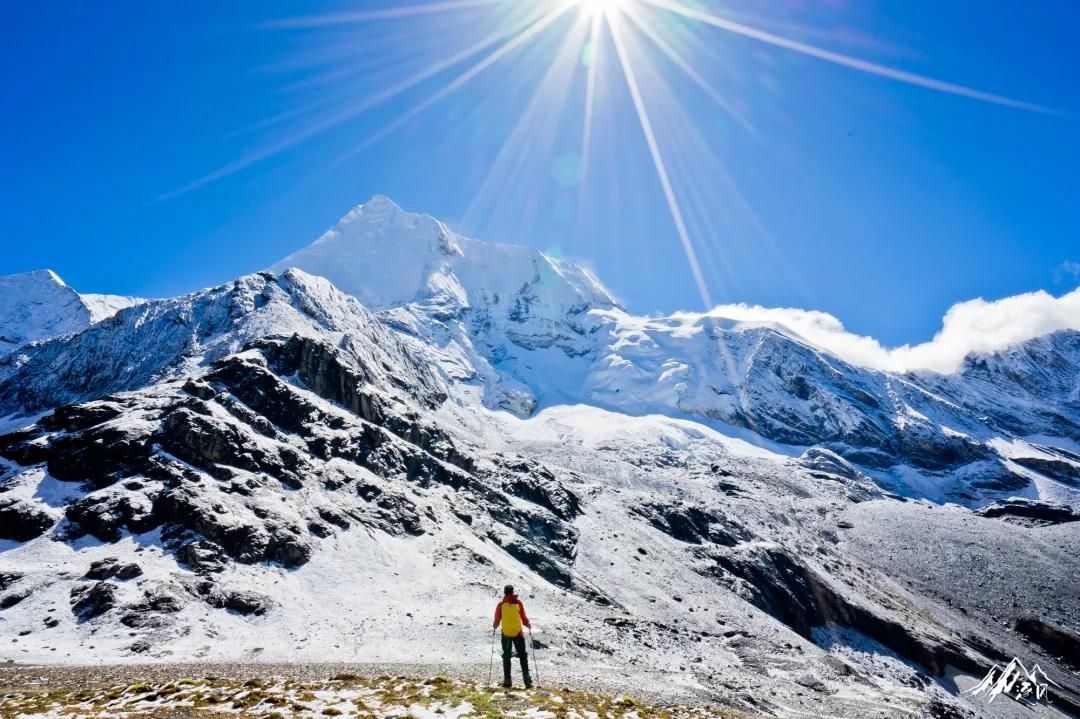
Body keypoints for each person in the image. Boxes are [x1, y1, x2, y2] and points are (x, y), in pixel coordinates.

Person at [492, 584, 532, 688]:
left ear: (504, 592)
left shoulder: (501, 604)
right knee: (522, 655)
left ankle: (507, 681)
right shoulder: (518, 603)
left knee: (506, 655)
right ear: (513, 592)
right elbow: (523, 617)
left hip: (506, 634)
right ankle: (527, 680)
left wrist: (495, 625)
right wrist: (527, 624)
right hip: (518, 633)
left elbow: (497, 619)